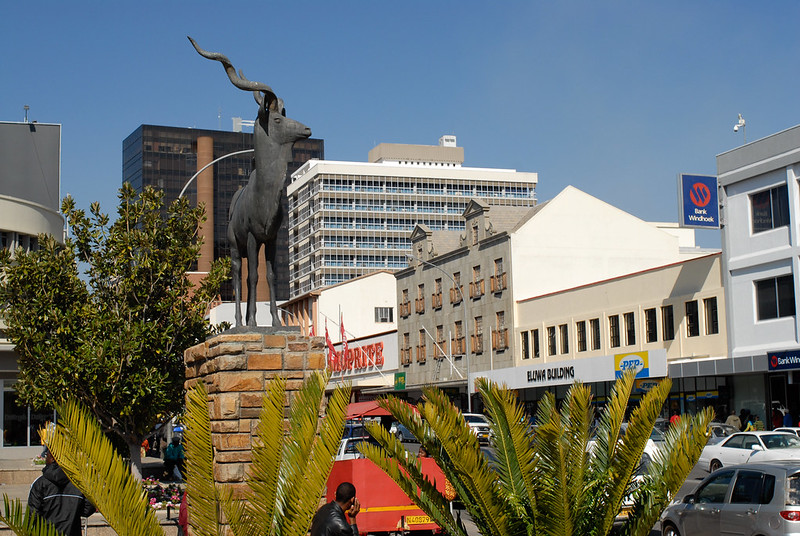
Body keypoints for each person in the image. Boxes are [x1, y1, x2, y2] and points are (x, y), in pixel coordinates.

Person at [28, 448, 95, 536]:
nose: (45, 459)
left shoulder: (40, 483)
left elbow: (33, 514)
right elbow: (88, 509)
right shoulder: (78, 483)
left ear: (52, 458)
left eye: (46, 456)